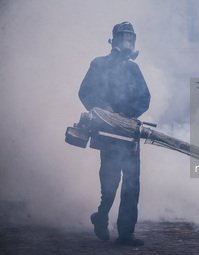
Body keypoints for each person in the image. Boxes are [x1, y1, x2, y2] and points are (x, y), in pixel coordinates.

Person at [78, 22, 150, 246]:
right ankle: (101, 215)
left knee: (131, 184)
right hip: (107, 132)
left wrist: (126, 112)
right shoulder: (98, 64)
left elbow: (144, 98)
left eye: (130, 39)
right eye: (123, 38)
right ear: (114, 41)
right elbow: (85, 91)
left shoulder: (134, 69)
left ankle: (126, 234)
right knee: (110, 181)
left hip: (129, 133)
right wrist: (104, 108)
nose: (127, 42)